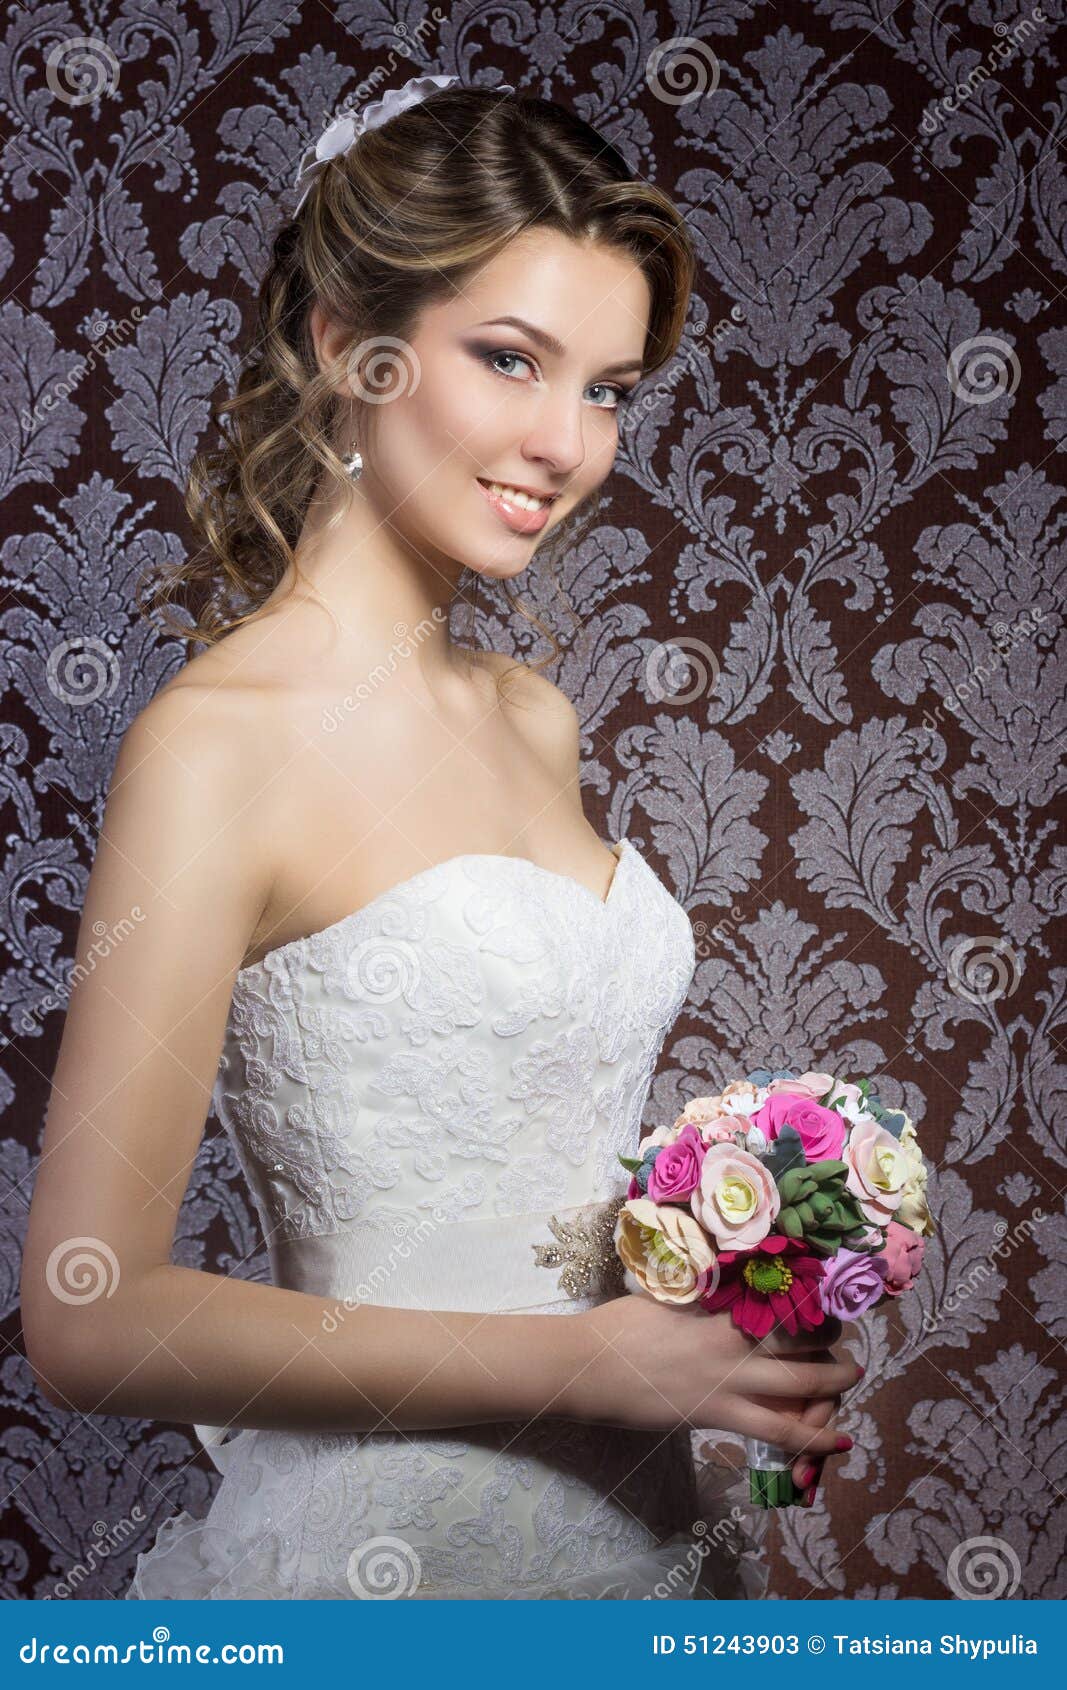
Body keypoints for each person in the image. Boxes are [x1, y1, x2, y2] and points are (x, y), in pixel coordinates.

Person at [20, 76, 858, 1600]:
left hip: (652, 1543)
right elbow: (89, 1319)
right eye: (511, 360)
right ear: (348, 339)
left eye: (607, 387)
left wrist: (733, 1295)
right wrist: (589, 1363)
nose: (567, 441)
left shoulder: (534, 716)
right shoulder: (216, 748)